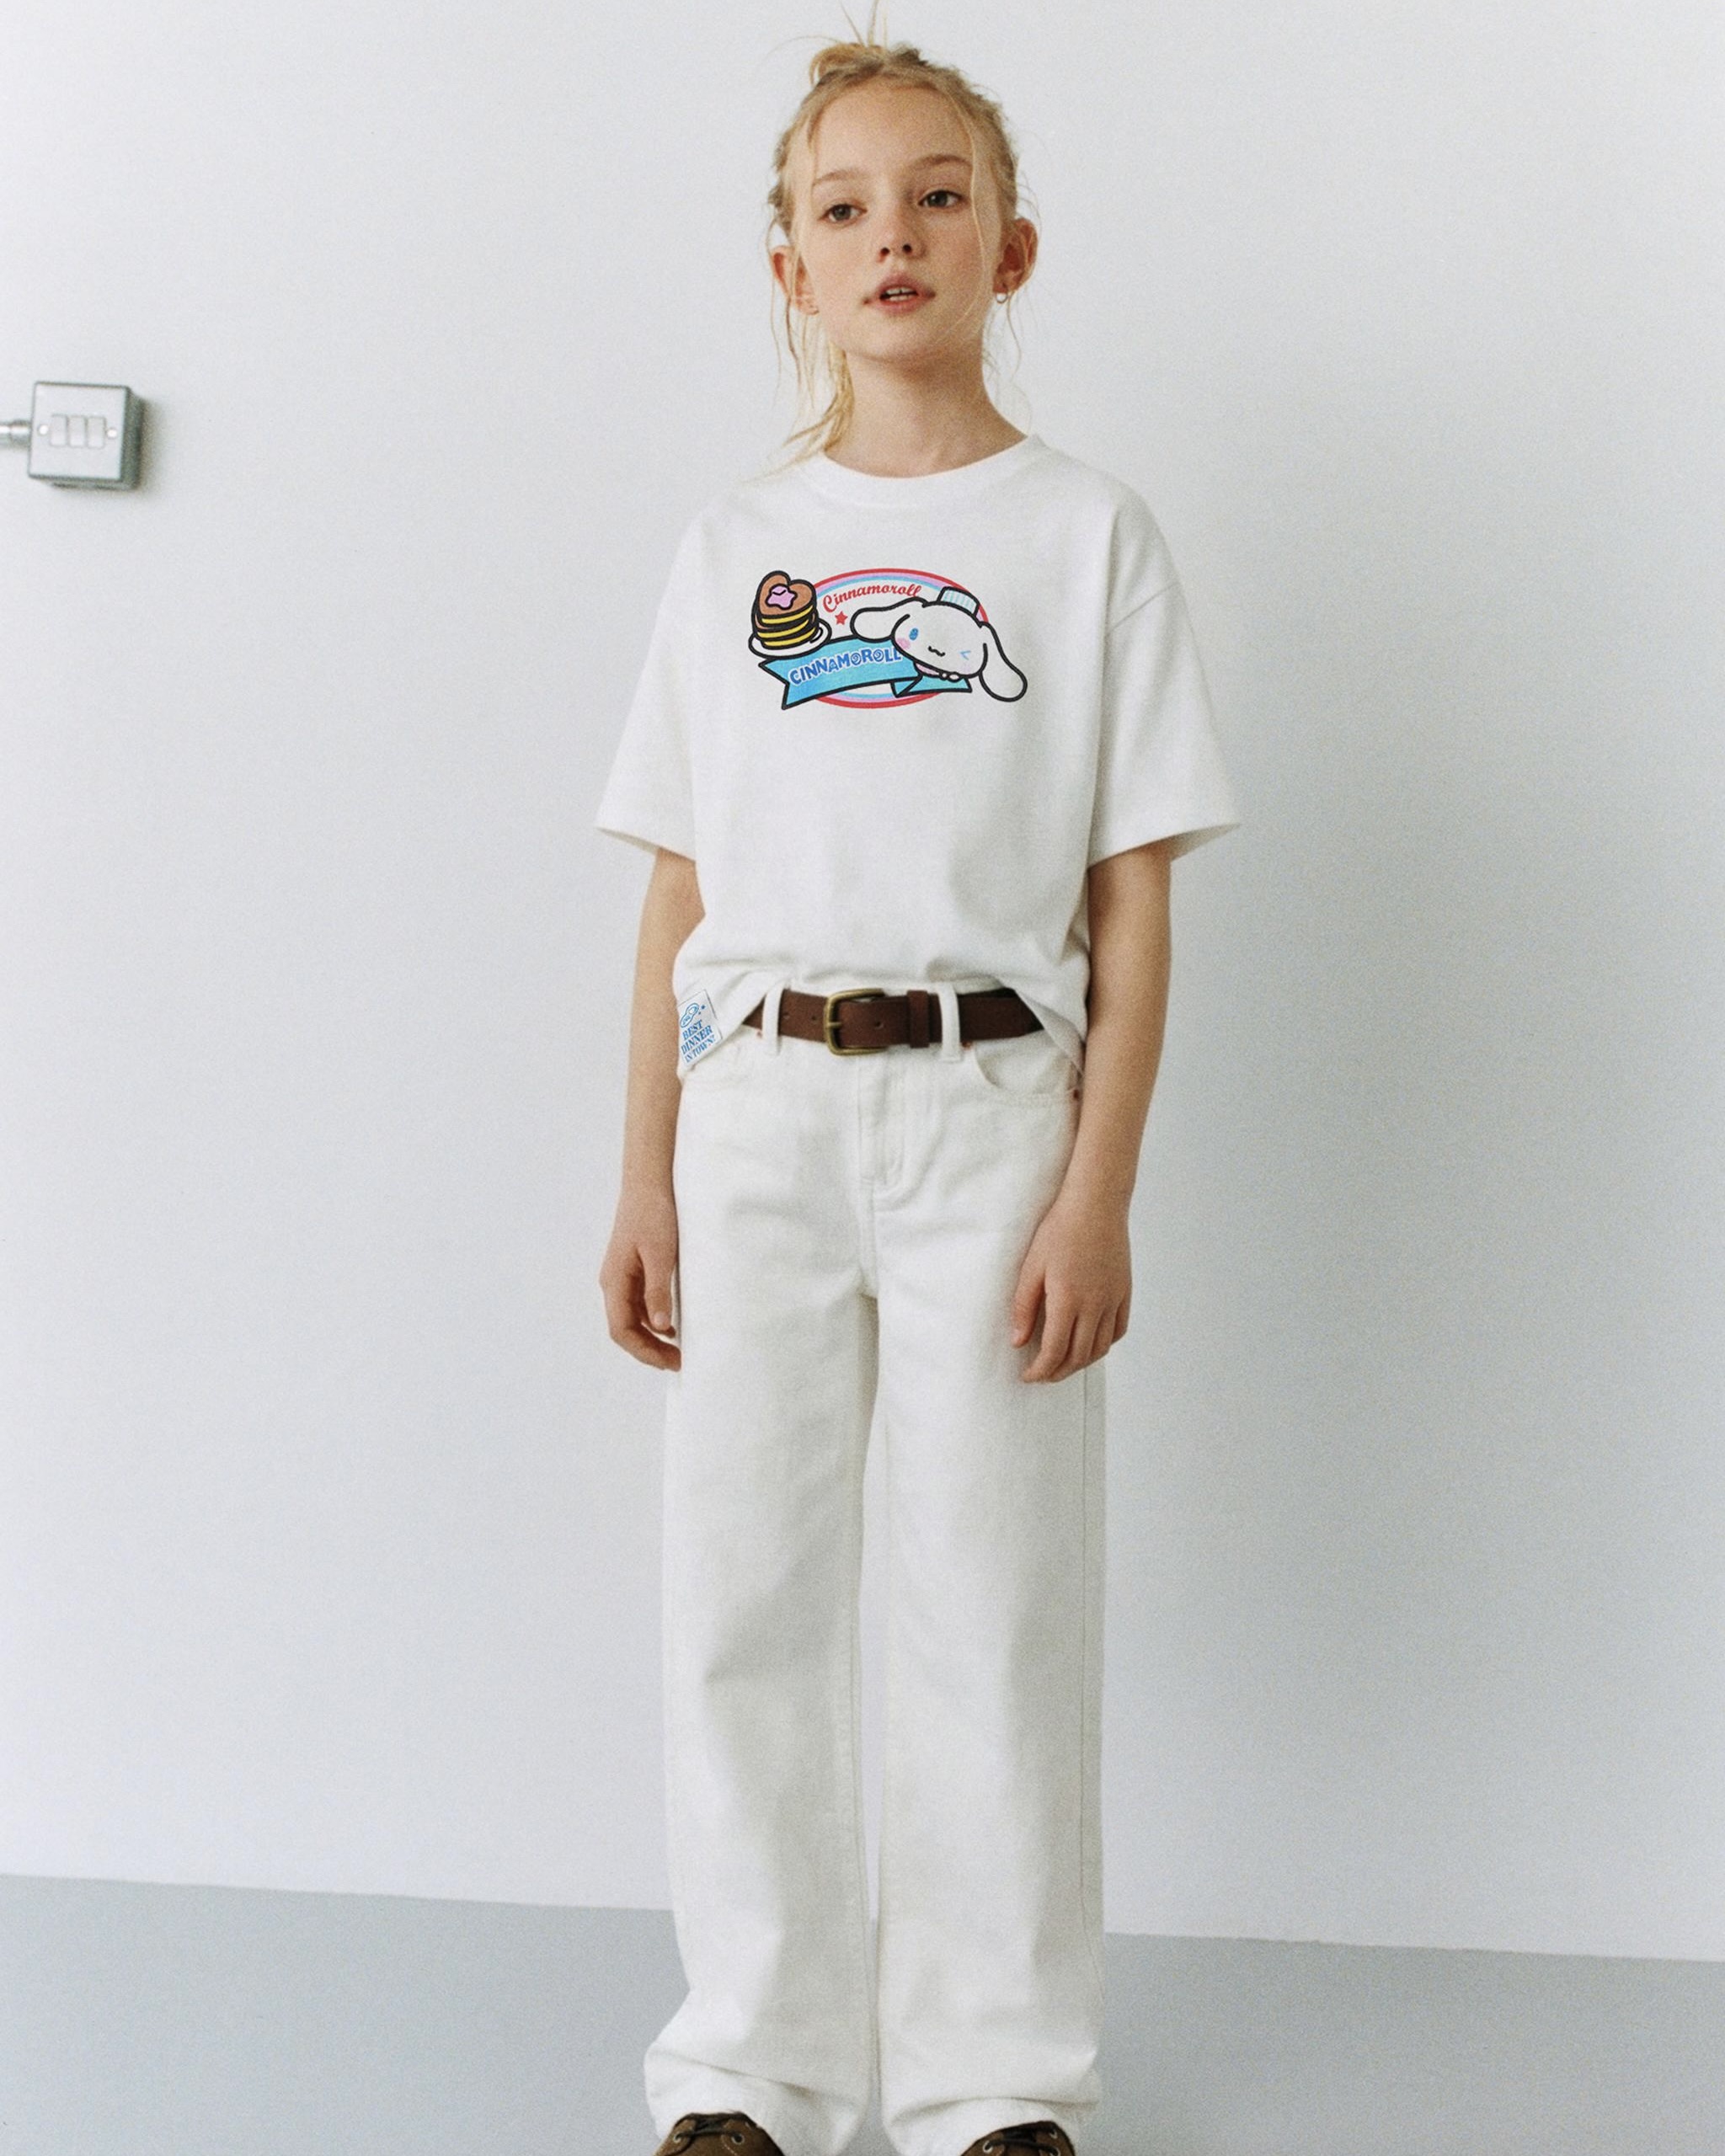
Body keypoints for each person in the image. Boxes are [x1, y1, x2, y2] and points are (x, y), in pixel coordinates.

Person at [595, 29, 1241, 2156]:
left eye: (939, 195)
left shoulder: (1085, 535)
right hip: (757, 1112)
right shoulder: (735, 551)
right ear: (786, 262)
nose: (895, 234)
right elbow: (677, 890)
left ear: (1009, 246)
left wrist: (1096, 1189)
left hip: (991, 1117)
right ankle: (749, 2068)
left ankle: (991, 2078)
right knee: (745, 1602)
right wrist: (644, 1176)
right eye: (846, 203)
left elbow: (1129, 899)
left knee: (995, 1604)